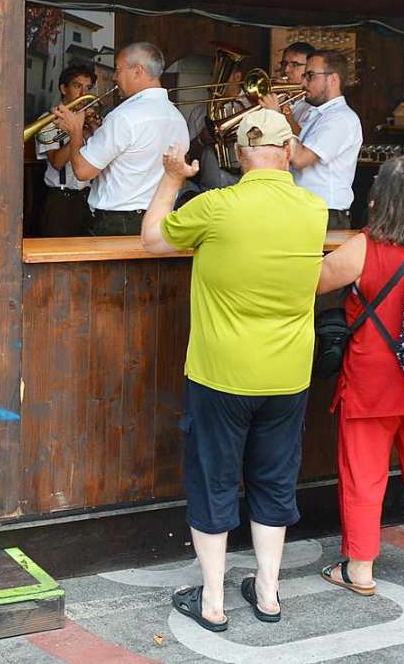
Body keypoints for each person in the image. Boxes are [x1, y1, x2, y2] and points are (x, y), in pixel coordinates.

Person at [141, 109, 327, 630]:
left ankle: (214, 602)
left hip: (220, 373)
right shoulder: (315, 209)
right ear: (287, 152)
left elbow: (152, 238)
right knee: (274, 480)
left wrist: (174, 177)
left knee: (213, 481)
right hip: (288, 374)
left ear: (239, 157)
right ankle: (267, 595)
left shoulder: (216, 207)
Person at [316, 156, 404, 593]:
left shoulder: (363, 248)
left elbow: (314, 282)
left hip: (372, 384)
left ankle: (359, 568)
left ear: (376, 198)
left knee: (364, 472)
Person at [52, 42, 189, 236]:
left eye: (118, 70)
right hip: (160, 219)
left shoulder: (123, 116)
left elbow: (82, 171)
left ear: (137, 71)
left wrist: (75, 131)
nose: (115, 77)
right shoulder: (177, 118)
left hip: (118, 222)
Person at [262, 50, 361, 229]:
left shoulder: (341, 118)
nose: (304, 82)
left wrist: (277, 116)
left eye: (310, 76)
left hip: (326, 213)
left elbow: (300, 159)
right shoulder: (316, 114)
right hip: (308, 209)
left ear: (333, 79)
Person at [35, 64, 99, 237]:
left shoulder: (92, 119)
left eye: (88, 88)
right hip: (61, 200)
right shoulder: (48, 121)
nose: (84, 94)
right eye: (78, 86)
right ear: (63, 88)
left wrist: (95, 130)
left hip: (89, 199)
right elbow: (56, 162)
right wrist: (78, 133)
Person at [273, 41, 315, 134]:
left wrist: (283, 106)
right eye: (284, 64)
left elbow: (301, 140)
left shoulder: (314, 105)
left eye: (295, 65)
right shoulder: (277, 94)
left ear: (310, 68)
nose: (286, 70)